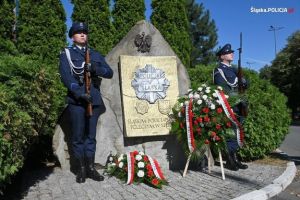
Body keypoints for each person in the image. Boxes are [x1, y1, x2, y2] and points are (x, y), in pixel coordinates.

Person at [59, 22, 113, 183]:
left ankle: (90, 168)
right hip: (77, 101)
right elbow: (66, 76)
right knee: (77, 137)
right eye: (78, 32)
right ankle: (81, 169)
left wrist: (97, 69)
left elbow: (109, 72)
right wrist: (79, 93)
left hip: (94, 101)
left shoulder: (95, 54)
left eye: (84, 32)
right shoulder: (66, 54)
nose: (82, 34)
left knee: (91, 136)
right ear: (72, 36)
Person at [213, 43, 248, 171]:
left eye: (232, 52)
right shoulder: (219, 70)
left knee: (239, 131)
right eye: (229, 52)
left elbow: (244, 84)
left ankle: (236, 158)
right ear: (222, 56)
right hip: (230, 106)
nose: (232, 54)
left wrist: (244, 81)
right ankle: (230, 160)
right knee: (231, 132)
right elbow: (222, 89)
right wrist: (232, 102)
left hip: (241, 105)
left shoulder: (234, 69)